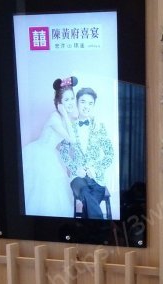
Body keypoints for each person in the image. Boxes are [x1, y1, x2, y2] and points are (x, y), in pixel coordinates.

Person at [22, 76, 80, 217]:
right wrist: (65, 114)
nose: (70, 102)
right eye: (66, 100)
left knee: (55, 189)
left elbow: (73, 138)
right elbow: (72, 139)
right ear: (59, 103)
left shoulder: (65, 118)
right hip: (39, 153)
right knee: (42, 190)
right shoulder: (55, 117)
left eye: (72, 98)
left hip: (51, 153)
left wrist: (67, 116)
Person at [67, 87, 114, 219]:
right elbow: (64, 152)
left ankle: (86, 227)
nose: (86, 106)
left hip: (97, 179)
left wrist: (96, 168)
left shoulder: (99, 127)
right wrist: (75, 168)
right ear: (77, 103)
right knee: (85, 192)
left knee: (89, 203)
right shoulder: (69, 127)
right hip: (77, 179)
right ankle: (103, 227)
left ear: (93, 105)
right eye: (83, 102)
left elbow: (109, 154)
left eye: (90, 103)